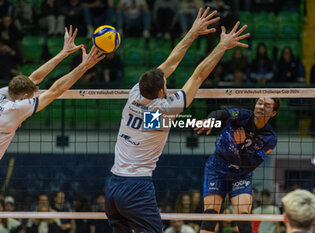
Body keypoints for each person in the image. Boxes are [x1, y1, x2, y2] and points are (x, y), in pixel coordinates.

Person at [105, 7, 250, 233]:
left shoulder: (135, 93)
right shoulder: (164, 110)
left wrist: (192, 32)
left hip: (113, 186)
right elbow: (198, 75)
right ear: (162, 91)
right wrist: (222, 46)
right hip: (136, 187)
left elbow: (170, 64)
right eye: (165, 85)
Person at [0, 26, 104, 159]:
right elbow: (55, 91)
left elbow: (34, 78)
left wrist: (64, 52)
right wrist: (83, 67)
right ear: (25, 97)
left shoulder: (5, 93)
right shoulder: (17, 108)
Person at [194, 97, 280, 233]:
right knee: (210, 217)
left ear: (273, 113)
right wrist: (211, 120)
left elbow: (249, 166)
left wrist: (241, 146)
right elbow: (221, 113)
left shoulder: (270, 138)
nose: (261, 107)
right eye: (259, 103)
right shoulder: (242, 115)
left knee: (243, 219)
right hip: (217, 168)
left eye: (267, 105)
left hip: (241, 174)